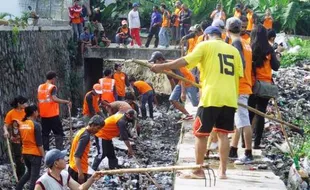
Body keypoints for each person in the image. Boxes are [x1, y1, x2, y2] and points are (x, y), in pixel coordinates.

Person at [150, 26, 243, 179]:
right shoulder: (233, 50)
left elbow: (185, 61)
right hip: (230, 98)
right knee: (223, 135)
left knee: (201, 134)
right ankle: (223, 171)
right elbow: (238, 76)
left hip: (211, 96)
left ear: (206, 36)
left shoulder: (205, 45)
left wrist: (163, 66)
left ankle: (198, 171)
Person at [224, 17, 254, 163]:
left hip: (239, 86)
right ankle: (233, 149)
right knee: (239, 120)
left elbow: (240, 64)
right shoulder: (245, 43)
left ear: (227, 30)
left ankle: (248, 153)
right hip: (245, 84)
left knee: (243, 120)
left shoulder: (236, 43)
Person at [249, 24, 281, 149]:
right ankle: (256, 143)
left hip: (252, 84)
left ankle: (244, 142)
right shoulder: (269, 49)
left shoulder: (250, 48)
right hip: (266, 85)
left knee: (249, 113)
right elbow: (276, 66)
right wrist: (278, 54)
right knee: (260, 114)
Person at [148, 51, 199, 121]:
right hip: (180, 83)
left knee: (195, 103)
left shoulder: (172, 65)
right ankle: (188, 115)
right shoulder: (164, 68)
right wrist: (175, 92)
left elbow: (182, 78)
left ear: (160, 60)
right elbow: (171, 80)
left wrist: (182, 92)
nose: (154, 64)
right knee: (172, 99)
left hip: (189, 81)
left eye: (154, 61)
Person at [35, 149, 104, 190]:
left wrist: (92, 178)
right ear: (56, 163)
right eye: (62, 158)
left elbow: (79, 188)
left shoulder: (64, 174)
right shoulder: (42, 182)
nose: (65, 160)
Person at [38, 71, 71, 151]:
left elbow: (40, 100)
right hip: (52, 115)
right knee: (58, 133)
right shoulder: (52, 87)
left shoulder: (40, 87)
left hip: (43, 115)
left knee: (45, 134)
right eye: (55, 78)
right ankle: (59, 151)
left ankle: (45, 152)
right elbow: (54, 99)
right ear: (53, 78)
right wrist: (66, 102)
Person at [68, 115, 104, 183]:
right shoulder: (85, 136)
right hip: (78, 169)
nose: (98, 131)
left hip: (73, 166)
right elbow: (77, 155)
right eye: (98, 128)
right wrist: (80, 173)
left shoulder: (82, 131)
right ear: (92, 125)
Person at [16, 105, 45, 190]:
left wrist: (22, 154)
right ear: (34, 112)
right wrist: (44, 156)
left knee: (29, 173)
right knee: (34, 178)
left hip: (25, 153)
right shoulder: (35, 125)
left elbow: (21, 141)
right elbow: (39, 144)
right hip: (35, 154)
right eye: (37, 111)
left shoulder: (22, 124)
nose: (38, 113)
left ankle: (18, 188)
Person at [3, 96, 28, 180]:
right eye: (24, 103)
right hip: (16, 140)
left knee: (26, 156)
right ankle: (20, 177)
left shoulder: (26, 112)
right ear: (19, 104)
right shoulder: (11, 113)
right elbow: (5, 125)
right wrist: (6, 131)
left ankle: (28, 174)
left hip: (26, 138)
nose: (26, 104)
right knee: (18, 158)